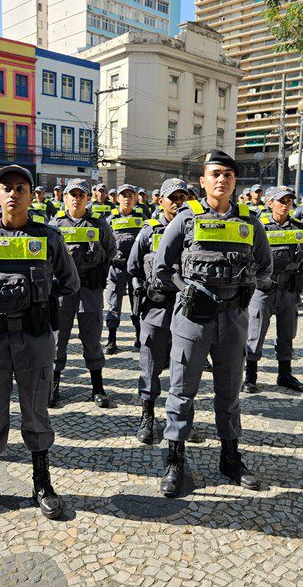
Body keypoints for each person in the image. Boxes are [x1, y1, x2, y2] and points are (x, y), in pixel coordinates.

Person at [0, 164, 80, 522]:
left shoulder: (49, 238)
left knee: (36, 415)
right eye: (6, 187)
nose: (13, 193)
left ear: (31, 194)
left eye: (20, 187)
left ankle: (42, 483)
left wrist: (38, 299)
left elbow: (70, 283)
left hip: (35, 339)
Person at [152, 149, 272, 498]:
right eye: (215, 174)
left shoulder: (250, 221)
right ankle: (174, 460)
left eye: (229, 175)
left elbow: (265, 268)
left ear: (235, 182)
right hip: (192, 320)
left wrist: (246, 285)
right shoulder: (186, 218)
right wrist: (185, 289)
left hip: (233, 321)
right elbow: (162, 266)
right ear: (202, 181)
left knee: (229, 394)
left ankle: (230, 459)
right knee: (181, 392)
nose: (222, 180)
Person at [127, 178, 188, 444]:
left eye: (182, 197)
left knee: (183, 365)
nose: (177, 202)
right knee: (150, 363)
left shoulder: (193, 229)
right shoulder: (148, 231)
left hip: (187, 309)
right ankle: (147, 416)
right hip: (156, 307)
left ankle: (181, 421)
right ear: (160, 200)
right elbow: (133, 267)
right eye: (171, 197)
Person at [50, 178, 116, 407]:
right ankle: (53, 385)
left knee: (92, 339)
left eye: (81, 195)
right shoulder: (54, 225)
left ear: (88, 199)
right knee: (58, 340)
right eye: (72, 194)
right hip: (62, 292)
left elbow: (111, 250)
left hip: (90, 290)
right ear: (64, 197)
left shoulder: (98, 223)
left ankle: (97, 388)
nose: (76, 199)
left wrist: (102, 270)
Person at [243, 186, 303, 394]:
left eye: (289, 200)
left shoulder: (299, 227)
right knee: (256, 331)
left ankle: (285, 374)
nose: (285, 204)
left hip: (289, 288)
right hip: (263, 288)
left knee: (287, 333)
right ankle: (250, 376)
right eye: (281, 200)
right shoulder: (258, 226)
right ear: (269, 203)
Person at [104, 184, 146, 354]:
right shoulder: (110, 219)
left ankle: (139, 338)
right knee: (114, 304)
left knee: (138, 303)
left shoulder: (142, 218)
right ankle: (111, 340)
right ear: (118, 199)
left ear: (135, 198)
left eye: (130, 195)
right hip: (117, 268)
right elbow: (104, 245)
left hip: (136, 269)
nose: (127, 199)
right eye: (124, 195)